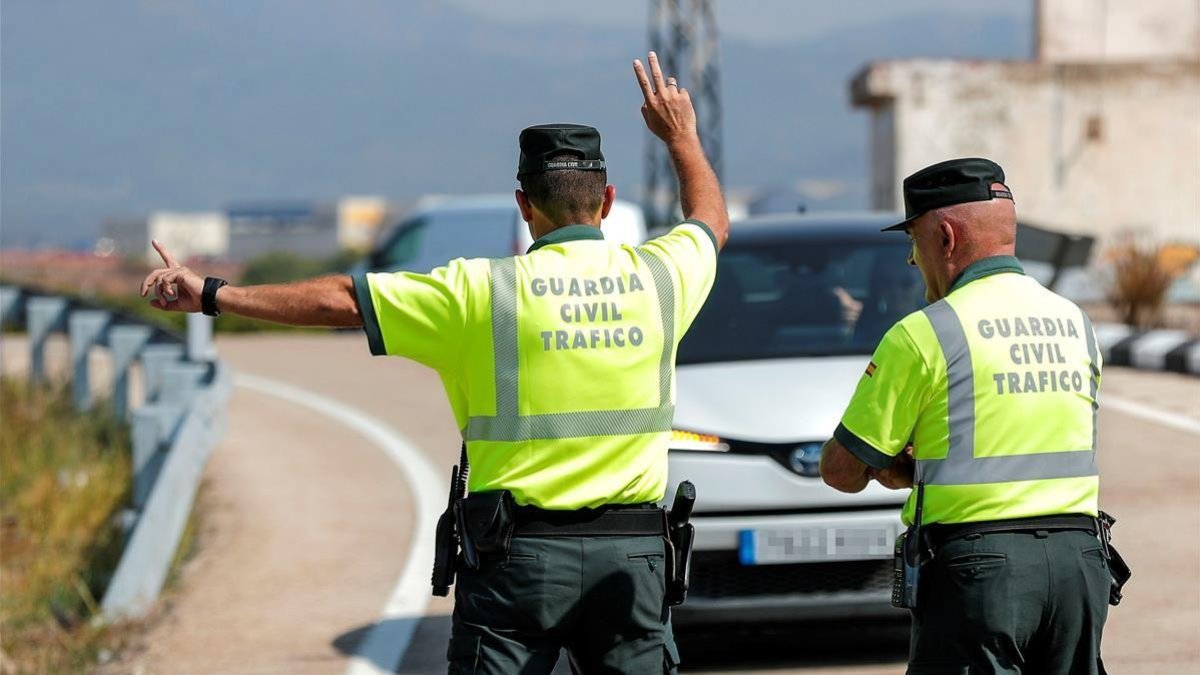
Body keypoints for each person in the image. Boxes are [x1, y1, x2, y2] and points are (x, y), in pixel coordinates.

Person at [139, 51, 728, 674]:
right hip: (631, 560)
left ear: (523, 205)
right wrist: (681, 137)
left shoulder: (478, 292)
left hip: (517, 562)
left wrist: (210, 294)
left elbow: (342, 298)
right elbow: (709, 223)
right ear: (607, 200)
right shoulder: (663, 278)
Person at [819, 158, 1113, 674]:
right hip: (1079, 565)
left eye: (913, 241)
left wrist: (902, 469)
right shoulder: (1076, 323)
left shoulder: (925, 333)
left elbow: (842, 470)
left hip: (981, 572)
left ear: (946, 238)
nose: (913, 260)